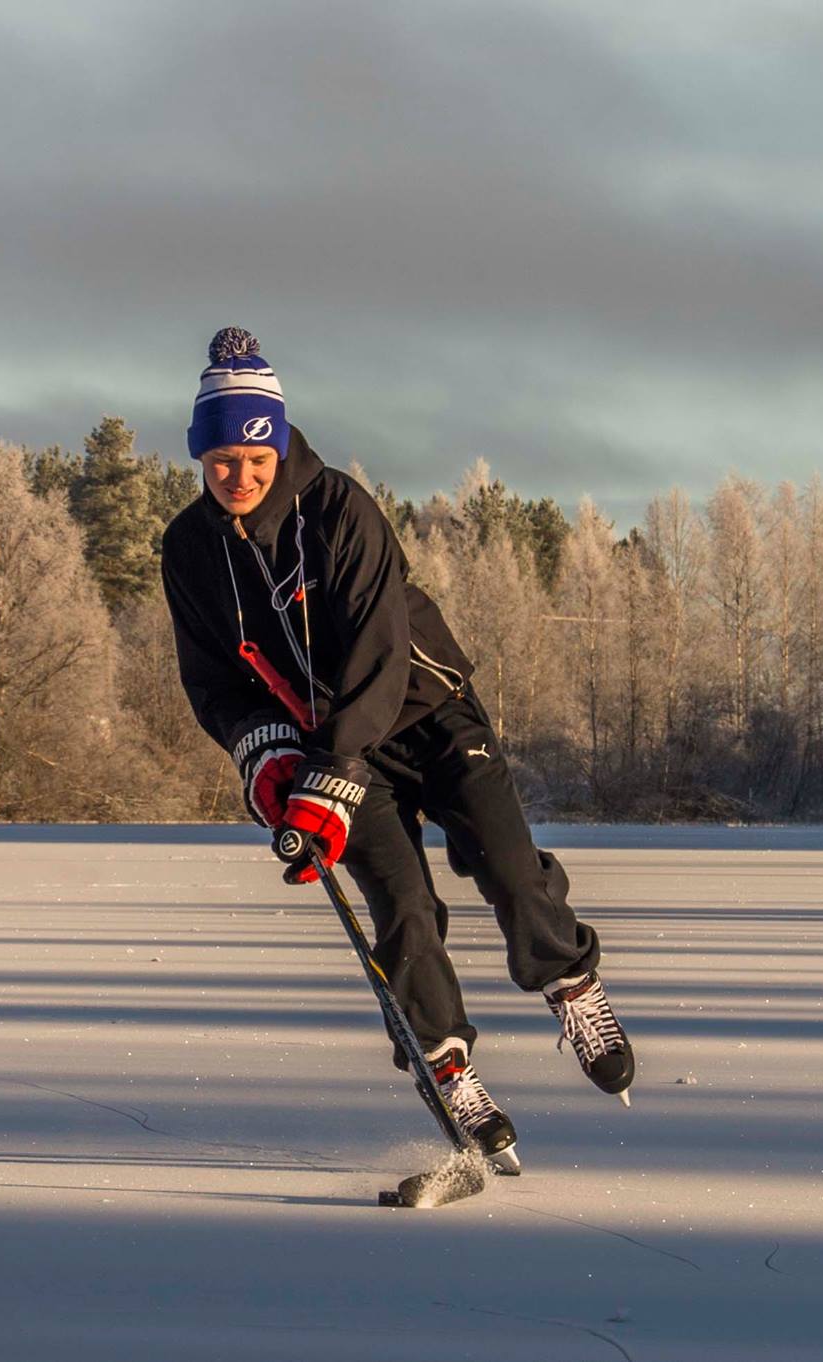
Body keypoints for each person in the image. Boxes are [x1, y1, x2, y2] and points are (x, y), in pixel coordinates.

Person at [157, 326, 633, 1160]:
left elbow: (379, 652)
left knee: (508, 866)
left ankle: (569, 980)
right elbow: (214, 682)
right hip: (330, 750)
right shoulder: (189, 549)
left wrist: (332, 771)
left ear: (280, 447)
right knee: (403, 908)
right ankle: (447, 1067)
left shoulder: (340, 507)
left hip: (425, 710)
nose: (241, 476)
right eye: (223, 460)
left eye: (257, 459)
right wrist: (267, 757)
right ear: (201, 455)